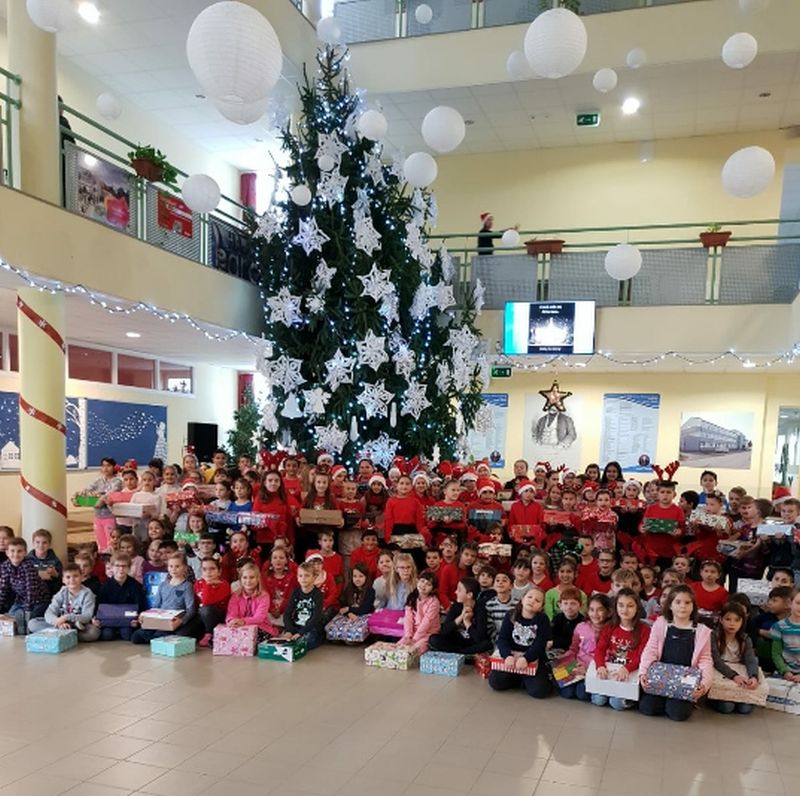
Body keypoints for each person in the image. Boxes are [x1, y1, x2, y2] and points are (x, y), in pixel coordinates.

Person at [639, 585, 714, 721]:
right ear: (670, 605)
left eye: (687, 603)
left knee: (678, 714)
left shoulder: (702, 631)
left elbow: (705, 660)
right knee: (647, 708)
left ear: (693, 606)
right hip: (661, 678)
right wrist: (643, 673)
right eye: (678, 602)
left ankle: (678, 703)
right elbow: (651, 650)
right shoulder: (661, 624)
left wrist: (704, 684)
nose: (683, 607)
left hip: (684, 682)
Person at [488, 586, 551, 699]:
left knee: (539, 691)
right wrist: (507, 655)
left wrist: (526, 658)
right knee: (495, 682)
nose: (532, 601)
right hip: (511, 658)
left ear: (541, 607)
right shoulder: (511, 615)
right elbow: (502, 639)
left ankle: (523, 679)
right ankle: (519, 678)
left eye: (537, 600)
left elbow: (540, 644)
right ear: (522, 599)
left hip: (532, 659)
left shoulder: (543, 619)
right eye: (529, 597)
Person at [592, 588, 649, 710]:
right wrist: (600, 665)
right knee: (598, 700)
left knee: (616, 703)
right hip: (611, 671)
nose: (624, 610)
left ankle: (632, 699)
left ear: (637, 608)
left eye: (630, 606)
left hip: (630, 673)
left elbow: (643, 656)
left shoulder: (644, 630)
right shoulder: (609, 627)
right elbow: (600, 649)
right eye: (621, 605)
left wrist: (628, 668)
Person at [131, 553, 203, 643]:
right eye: (171, 566)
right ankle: (156, 638)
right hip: (160, 618)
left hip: (174, 620)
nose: (173, 569)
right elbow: (156, 606)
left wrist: (181, 621)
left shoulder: (187, 586)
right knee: (135, 637)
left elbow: (190, 610)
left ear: (184, 567)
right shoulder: (163, 585)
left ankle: (160, 638)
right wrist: (145, 615)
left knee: (159, 635)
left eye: (177, 566)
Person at [708, 601, 761, 715]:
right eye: (728, 619)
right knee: (727, 707)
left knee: (745, 709)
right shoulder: (713, 636)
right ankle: (711, 700)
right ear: (721, 619)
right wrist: (734, 676)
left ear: (742, 622)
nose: (732, 624)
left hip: (739, 673)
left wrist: (753, 676)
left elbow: (750, 659)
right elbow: (716, 661)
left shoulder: (745, 639)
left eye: (737, 620)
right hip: (721, 673)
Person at [28, 563, 100, 642]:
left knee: (94, 632)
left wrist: (66, 617)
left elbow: (87, 616)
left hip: (80, 624)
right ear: (63, 580)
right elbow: (49, 613)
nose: (72, 580)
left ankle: (63, 635)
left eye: (75, 576)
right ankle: (67, 634)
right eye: (68, 577)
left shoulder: (87, 594)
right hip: (62, 624)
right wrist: (58, 622)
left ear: (81, 577)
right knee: (32, 623)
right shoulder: (62, 592)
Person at [559, 593, 611, 700]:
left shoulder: (611, 630)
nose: (595, 614)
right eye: (591, 610)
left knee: (582, 694)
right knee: (566, 693)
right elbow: (573, 649)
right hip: (577, 666)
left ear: (608, 612)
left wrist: (588, 669)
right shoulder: (581, 627)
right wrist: (565, 661)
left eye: (600, 610)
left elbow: (609, 656)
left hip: (596, 670)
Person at [429, 577, 493, 655]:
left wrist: (467, 622)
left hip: (472, 643)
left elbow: (480, 638)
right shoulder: (456, 606)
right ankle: (464, 654)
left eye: (459, 590)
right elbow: (444, 631)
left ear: (469, 595)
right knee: (434, 639)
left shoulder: (480, 608)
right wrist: (461, 617)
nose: (456, 592)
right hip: (457, 641)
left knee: (487, 644)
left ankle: (460, 654)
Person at [0, 537, 49, 634]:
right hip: (21, 599)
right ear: (7, 553)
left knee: (31, 620)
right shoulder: (5, 566)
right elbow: (3, 587)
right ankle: (19, 623)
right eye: (12, 551)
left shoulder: (28, 566)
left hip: (39, 600)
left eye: (19, 551)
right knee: (10, 616)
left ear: (25, 552)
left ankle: (25, 625)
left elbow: (30, 590)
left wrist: (28, 610)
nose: (15, 554)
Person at [94, 553, 146, 641]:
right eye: (117, 566)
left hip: (127, 620)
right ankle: (115, 631)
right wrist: (96, 618)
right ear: (112, 567)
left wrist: (137, 619)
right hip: (109, 619)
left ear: (129, 568)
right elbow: (99, 604)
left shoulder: (135, 585)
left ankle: (120, 631)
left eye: (124, 566)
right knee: (107, 635)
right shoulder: (106, 586)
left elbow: (140, 604)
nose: (121, 569)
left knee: (127, 634)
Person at [280, 560, 324, 650]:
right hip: (296, 626)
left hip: (311, 628)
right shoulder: (295, 592)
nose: (303, 578)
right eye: (300, 576)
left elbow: (316, 618)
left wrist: (301, 633)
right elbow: (287, 613)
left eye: (307, 575)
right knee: (284, 640)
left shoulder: (318, 594)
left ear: (314, 577)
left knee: (301, 642)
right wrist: (289, 630)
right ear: (297, 577)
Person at [225, 561, 275, 640]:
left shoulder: (264, 596)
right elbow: (231, 613)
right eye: (245, 577)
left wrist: (243, 621)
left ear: (257, 579)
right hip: (239, 627)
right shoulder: (236, 595)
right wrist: (232, 621)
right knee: (218, 638)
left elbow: (259, 618)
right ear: (241, 579)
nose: (248, 581)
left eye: (251, 577)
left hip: (260, 627)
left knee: (254, 637)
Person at [399, 569, 441, 654]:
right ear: (418, 581)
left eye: (428, 584)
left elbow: (427, 622)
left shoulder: (434, 602)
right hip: (413, 631)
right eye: (422, 581)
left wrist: (415, 639)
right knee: (399, 646)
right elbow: (408, 618)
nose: (424, 585)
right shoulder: (412, 597)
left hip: (428, 632)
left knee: (415, 650)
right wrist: (408, 636)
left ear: (433, 589)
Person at [195, 557, 231, 647]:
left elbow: (206, 601)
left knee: (206, 609)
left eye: (212, 569)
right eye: (204, 569)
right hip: (201, 616)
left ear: (219, 571)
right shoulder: (198, 583)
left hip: (218, 617)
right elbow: (195, 602)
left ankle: (209, 634)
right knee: (185, 631)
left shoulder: (224, 585)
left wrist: (208, 584)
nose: (208, 572)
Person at [770, 588, 800, 683]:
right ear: (790, 603)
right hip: (784, 671)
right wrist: (785, 671)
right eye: (798, 603)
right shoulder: (779, 626)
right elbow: (776, 653)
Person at [26, 529, 63, 597]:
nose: (41, 545)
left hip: (50, 595)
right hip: (30, 595)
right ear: (33, 543)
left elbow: (63, 581)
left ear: (49, 544)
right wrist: (37, 575)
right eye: (37, 542)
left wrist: (56, 575)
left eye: (44, 542)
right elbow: (21, 579)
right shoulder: (27, 560)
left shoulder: (55, 561)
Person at [484, 571, 518, 642]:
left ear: (511, 586)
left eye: (504, 580)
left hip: (514, 640)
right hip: (496, 642)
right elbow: (490, 628)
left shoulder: (517, 604)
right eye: (497, 580)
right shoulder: (489, 604)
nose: (500, 582)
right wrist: (500, 642)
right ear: (493, 585)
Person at [550, 586, 584, 652]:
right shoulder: (557, 618)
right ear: (560, 605)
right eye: (565, 603)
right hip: (556, 650)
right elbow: (550, 636)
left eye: (573, 603)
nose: (569, 607)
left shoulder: (582, 622)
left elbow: (578, 641)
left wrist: (555, 642)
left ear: (580, 606)